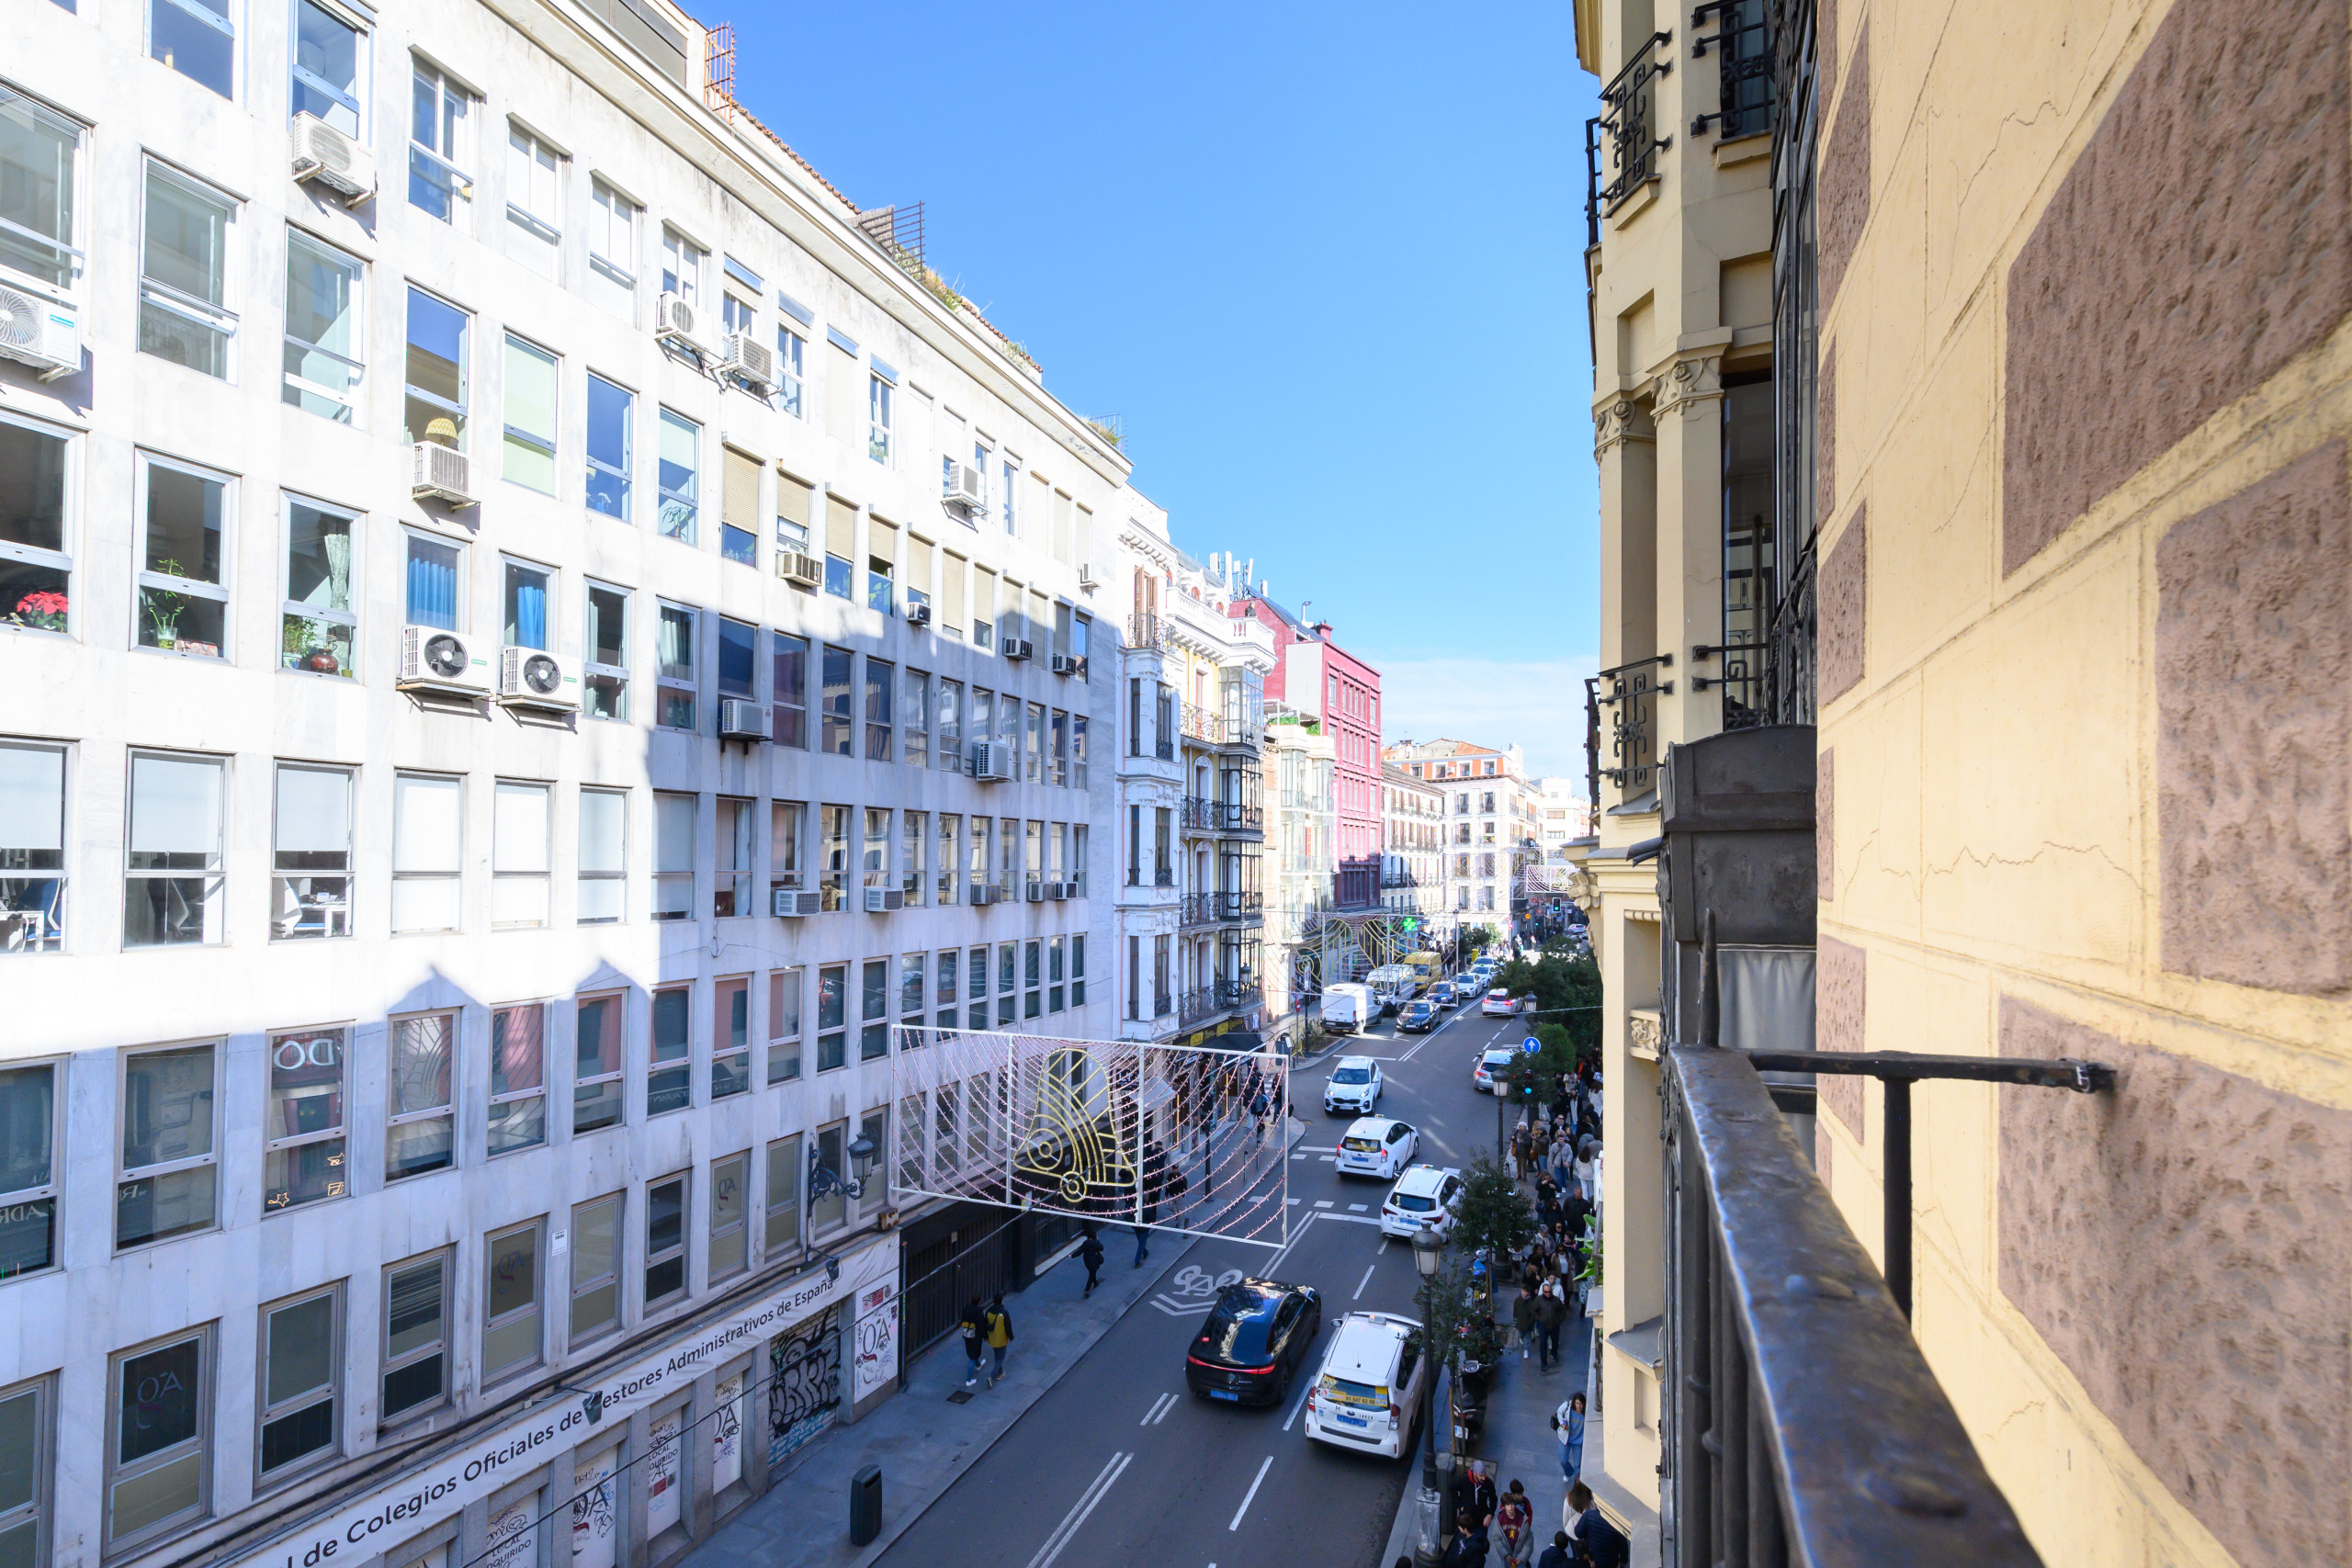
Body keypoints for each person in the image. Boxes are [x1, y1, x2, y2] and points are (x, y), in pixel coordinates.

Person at [1566, 1483, 1628, 1568]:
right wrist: (1623, 1562)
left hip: (1594, 1557)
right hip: (1610, 1560)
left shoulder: (1589, 1515)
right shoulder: (1618, 1525)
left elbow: (1578, 1533)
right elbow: (1623, 1548)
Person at [1496, 1480, 1534, 1566]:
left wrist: (1527, 1526)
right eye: (1519, 1494)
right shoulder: (1505, 1502)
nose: (1521, 1496)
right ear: (1513, 1494)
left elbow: (1530, 1513)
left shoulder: (1525, 1502)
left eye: (1522, 1494)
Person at [981, 1293, 1014, 1387]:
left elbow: (984, 1325)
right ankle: (992, 1376)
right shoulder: (1004, 1313)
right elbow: (1008, 1327)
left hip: (992, 1338)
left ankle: (1000, 1372)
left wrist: (985, 1336)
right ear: (1001, 1301)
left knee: (997, 1355)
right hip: (1002, 1339)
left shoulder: (988, 1312)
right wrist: (1011, 1337)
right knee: (1000, 1358)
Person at [1532, 1280, 1566, 1371]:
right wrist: (1538, 1319)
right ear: (1543, 1291)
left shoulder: (1556, 1300)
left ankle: (1554, 1353)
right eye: (1546, 1292)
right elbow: (1533, 1310)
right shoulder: (1538, 1300)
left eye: (1549, 1292)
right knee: (1542, 1344)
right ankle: (1543, 1362)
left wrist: (1559, 1321)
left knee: (1555, 1343)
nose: (1548, 1293)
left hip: (1555, 1326)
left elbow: (1563, 1310)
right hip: (1543, 1326)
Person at [1553, 1392, 1586, 1481]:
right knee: (1563, 1460)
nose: (1578, 1406)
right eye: (1577, 1403)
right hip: (1565, 1438)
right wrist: (1563, 1423)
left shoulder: (1585, 1413)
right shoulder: (1568, 1406)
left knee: (1578, 1465)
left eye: (1581, 1404)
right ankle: (1569, 1473)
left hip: (1578, 1442)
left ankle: (1576, 1483)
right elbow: (1559, 1412)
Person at [957, 1297, 987, 1388]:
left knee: (972, 1352)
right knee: (973, 1357)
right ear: (979, 1302)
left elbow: (962, 1320)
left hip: (967, 1334)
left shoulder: (966, 1310)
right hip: (976, 1336)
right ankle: (969, 1380)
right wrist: (985, 1336)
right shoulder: (979, 1313)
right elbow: (981, 1327)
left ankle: (978, 1365)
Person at [1511, 1284, 1536, 1360]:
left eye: (1525, 1292)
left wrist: (1531, 1321)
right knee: (1521, 1334)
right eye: (1522, 1291)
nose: (1523, 1293)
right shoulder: (1517, 1300)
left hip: (1528, 1324)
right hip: (1520, 1323)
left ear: (1528, 1293)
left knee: (1527, 1338)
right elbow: (1515, 1310)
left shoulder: (1531, 1302)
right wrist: (1515, 1319)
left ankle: (1526, 1350)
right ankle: (1522, 1339)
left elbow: (1533, 1314)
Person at [1079, 1229, 1105, 1296]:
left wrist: (1072, 1256)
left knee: (1092, 1272)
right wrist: (1097, 1241)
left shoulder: (1085, 1243)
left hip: (1087, 1260)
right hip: (1094, 1260)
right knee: (1092, 1274)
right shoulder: (1096, 1242)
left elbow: (1079, 1251)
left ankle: (1095, 1283)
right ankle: (1087, 1290)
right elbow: (1101, 1248)